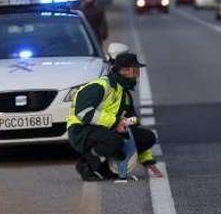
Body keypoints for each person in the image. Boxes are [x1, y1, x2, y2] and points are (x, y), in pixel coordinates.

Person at [67, 50, 162, 181]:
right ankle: (86, 164)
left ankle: (105, 168)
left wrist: (147, 161)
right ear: (124, 70)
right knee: (113, 141)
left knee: (147, 137)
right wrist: (116, 123)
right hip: (81, 130)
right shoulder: (100, 86)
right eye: (135, 70)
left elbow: (131, 125)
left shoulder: (125, 94)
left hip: (104, 129)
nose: (138, 74)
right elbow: (83, 113)